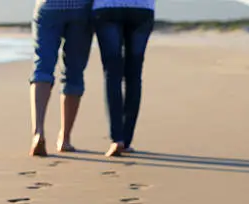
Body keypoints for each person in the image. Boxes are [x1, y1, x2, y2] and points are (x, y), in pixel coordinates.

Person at [29, 0, 94, 157]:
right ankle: (64, 138)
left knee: (42, 68)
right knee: (74, 72)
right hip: (81, 8)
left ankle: (38, 132)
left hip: (48, 6)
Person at [92, 0, 155, 157]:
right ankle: (126, 140)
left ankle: (117, 138)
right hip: (142, 8)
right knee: (134, 75)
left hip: (107, 7)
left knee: (112, 74)